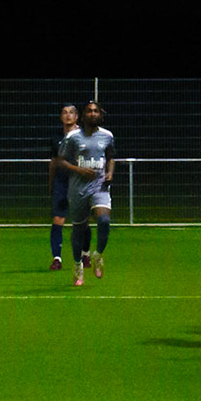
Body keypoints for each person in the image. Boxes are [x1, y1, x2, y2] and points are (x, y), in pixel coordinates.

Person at [56, 101, 115, 286]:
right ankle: (77, 264)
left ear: (101, 115)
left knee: (104, 221)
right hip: (78, 189)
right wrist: (79, 170)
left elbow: (111, 156)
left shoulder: (107, 136)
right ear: (83, 115)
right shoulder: (73, 137)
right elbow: (61, 161)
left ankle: (98, 254)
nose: (92, 114)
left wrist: (110, 172)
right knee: (79, 229)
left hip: (99, 187)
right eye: (89, 111)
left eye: (96, 111)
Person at [48, 103, 79, 269]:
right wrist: (51, 182)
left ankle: (84, 253)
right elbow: (53, 162)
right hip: (61, 183)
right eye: (65, 113)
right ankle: (57, 258)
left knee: (81, 221)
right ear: (61, 117)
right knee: (58, 219)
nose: (68, 116)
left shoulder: (84, 136)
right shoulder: (56, 138)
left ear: (76, 117)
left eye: (71, 113)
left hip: (79, 182)